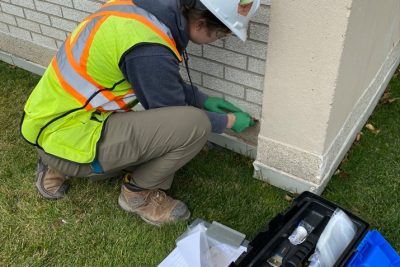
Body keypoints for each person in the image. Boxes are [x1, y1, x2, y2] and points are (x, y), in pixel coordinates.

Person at [20, 0, 260, 226]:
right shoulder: (149, 48)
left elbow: (163, 81)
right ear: (199, 24)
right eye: (220, 35)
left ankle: (55, 163)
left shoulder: (142, 14)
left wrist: (207, 101)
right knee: (195, 125)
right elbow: (175, 115)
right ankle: (137, 195)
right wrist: (226, 121)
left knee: (184, 122)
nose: (218, 40)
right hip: (72, 136)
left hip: (51, 122)